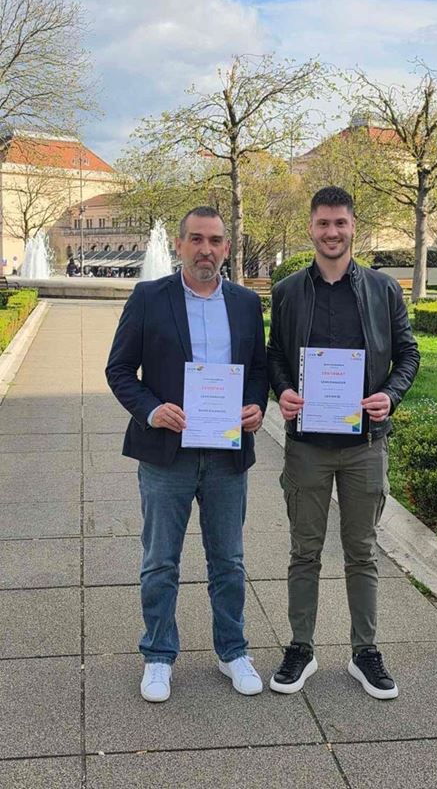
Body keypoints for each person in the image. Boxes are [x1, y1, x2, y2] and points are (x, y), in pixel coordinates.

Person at [106, 206, 268, 703]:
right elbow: (119, 370)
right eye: (196, 239)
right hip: (166, 456)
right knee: (160, 562)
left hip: (225, 455)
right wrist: (151, 410)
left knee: (229, 561)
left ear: (226, 248)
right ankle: (158, 655)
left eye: (215, 240)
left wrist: (256, 407)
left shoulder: (245, 303)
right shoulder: (149, 297)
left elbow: (259, 369)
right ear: (179, 245)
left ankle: (232, 651)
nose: (206, 250)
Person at [267, 186, 420, 700]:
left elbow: (408, 353)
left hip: (364, 444)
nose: (332, 232)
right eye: (323, 223)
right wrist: (284, 390)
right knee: (304, 551)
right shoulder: (288, 291)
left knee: (362, 551)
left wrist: (390, 396)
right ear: (310, 227)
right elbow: (275, 354)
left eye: (340, 223)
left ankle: (364, 652)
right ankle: (301, 648)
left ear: (354, 226)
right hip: (307, 445)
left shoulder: (383, 289)